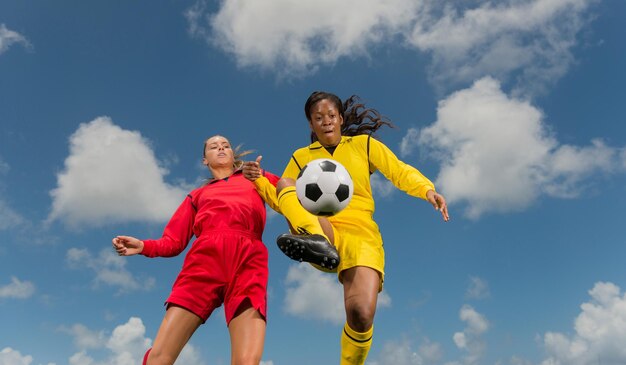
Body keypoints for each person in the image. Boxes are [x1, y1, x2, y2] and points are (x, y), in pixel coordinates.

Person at [244, 91, 449, 365]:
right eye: (318, 118)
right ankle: (315, 241)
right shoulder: (300, 156)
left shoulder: (364, 145)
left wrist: (427, 190)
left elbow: (398, 171)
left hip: (361, 234)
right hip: (321, 226)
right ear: (311, 125)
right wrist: (258, 181)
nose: (326, 121)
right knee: (285, 183)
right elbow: (283, 201)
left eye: (331, 116)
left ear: (340, 118)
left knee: (361, 313)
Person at [112, 135, 279, 365]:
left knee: (247, 362)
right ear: (205, 160)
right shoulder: (197, 196)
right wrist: (143, 246)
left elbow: (292, 195)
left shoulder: (254, 177)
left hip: (249, 264)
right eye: (213, 147)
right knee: (159, 359)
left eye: (225, 146)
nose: (220, 148)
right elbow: (173, 242)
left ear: (232, 154)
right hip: (203, 266)